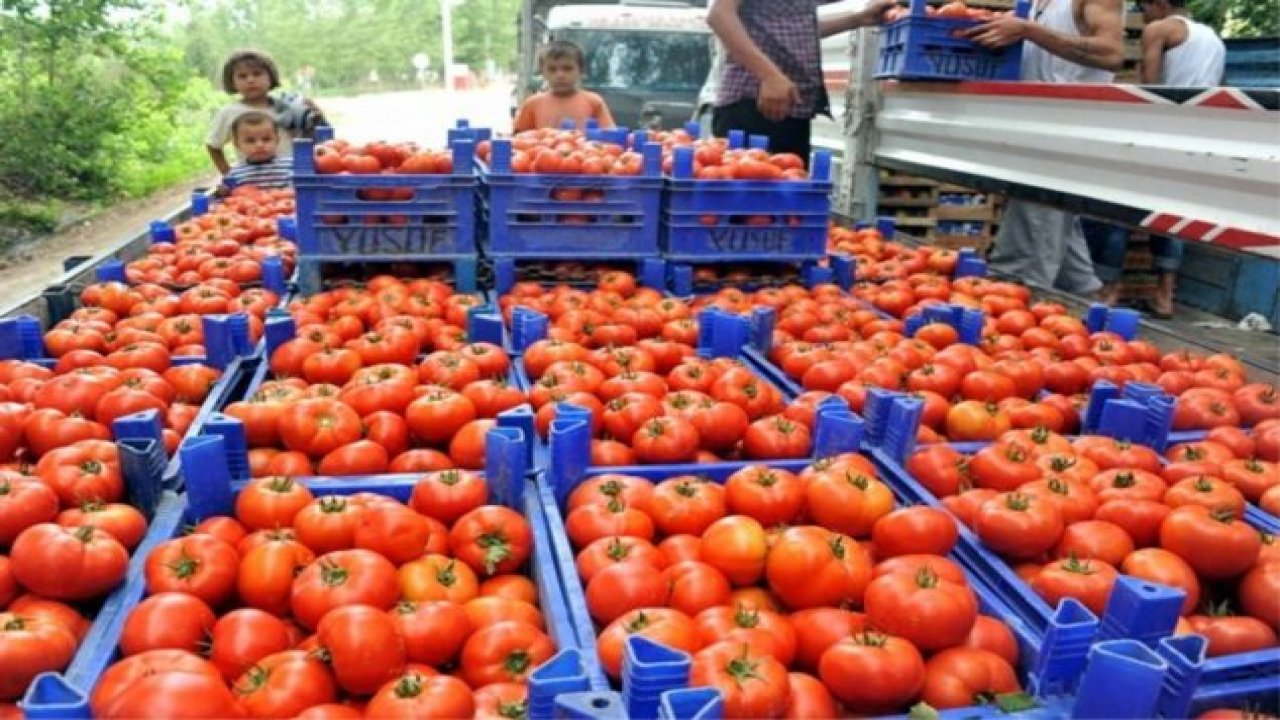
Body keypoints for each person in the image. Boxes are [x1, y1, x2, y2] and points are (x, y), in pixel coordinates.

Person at [964, 0, 1125, 296]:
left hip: (1062, 132)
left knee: (1029, 242)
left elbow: (1112, 52)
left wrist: (1029, 30)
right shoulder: (1035, 4)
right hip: (1036, 128)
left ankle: (1015, 299)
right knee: (1053, 222)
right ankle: (1085, 299)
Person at [1081, 0, 1224, 317]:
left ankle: (1108, 289)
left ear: (1160, 4)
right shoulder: (1213, 38)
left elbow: (1150, 89)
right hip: (1200, 137)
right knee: (1172, 215)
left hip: (1163, 132)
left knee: (1118, 211)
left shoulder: (1159, 29)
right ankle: (1164, 295)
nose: (1142, 14)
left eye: (1143, 6)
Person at [706, 0, 892, 163]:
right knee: (749, 189)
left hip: (794, 107)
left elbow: (793, 27)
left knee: (790, 188)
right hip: (754, 103)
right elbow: (719, 15)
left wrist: (856, 19)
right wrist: (769, 76)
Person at [207, 49, 327, 176]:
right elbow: (213, 145)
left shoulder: (288, 107)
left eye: (257, 74)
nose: (250, 80)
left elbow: (315, 139)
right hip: (250, 180)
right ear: (232, 82)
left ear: (271, 77)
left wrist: (315, 114)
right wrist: (228, 174)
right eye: (242, 76)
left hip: (291, 177)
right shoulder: (228, 113)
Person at [513, 40, 615, 132]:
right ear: (543, 72)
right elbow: (518, 139)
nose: (560, 75)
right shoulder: (533, 104)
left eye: (567, 68)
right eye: (552, 69)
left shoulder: (594, 102)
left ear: (581, 71)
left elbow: (610, 136)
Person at [219, 112, 293, 193]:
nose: (259, 145)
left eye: (266, 139)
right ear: (237, 144)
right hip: (249, 201)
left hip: (286, 201)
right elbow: (227, 195)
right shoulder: (235, 175)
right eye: (250, 141)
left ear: (277, 140)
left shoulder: (291, 165)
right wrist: (224, 191)